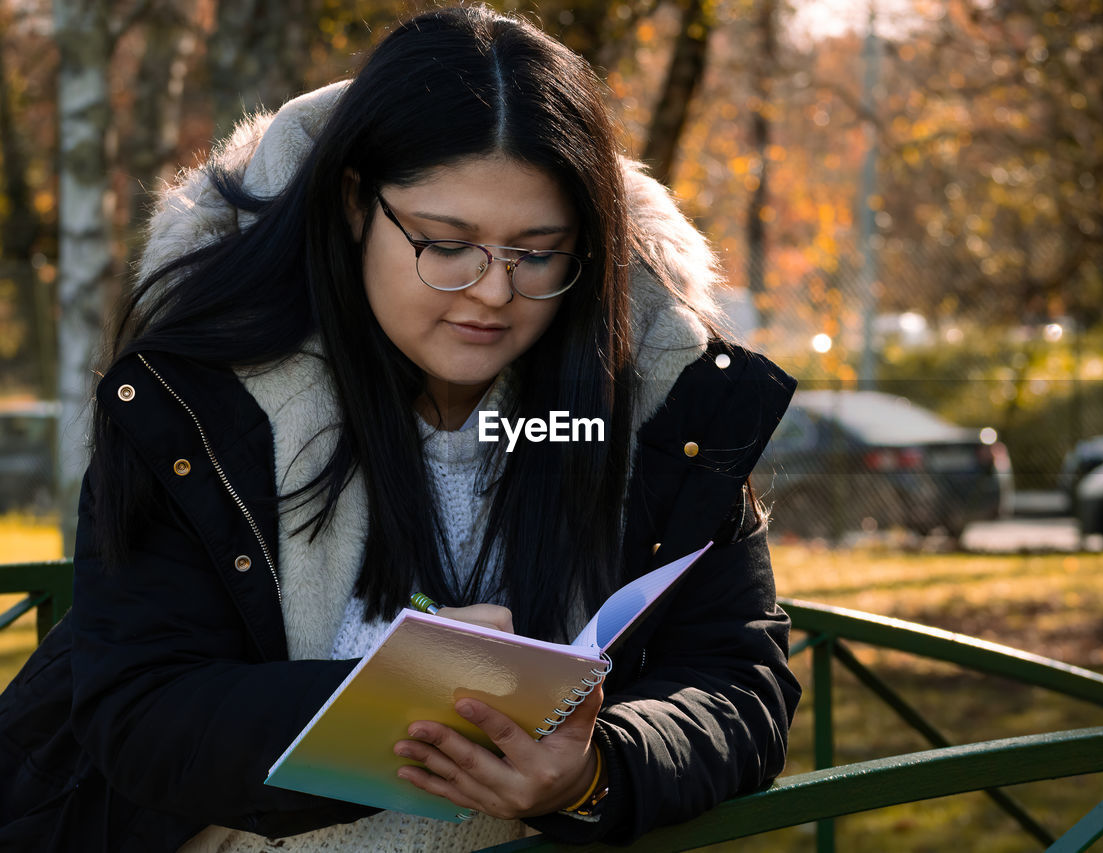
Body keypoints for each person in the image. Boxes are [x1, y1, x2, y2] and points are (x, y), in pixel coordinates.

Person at [0, 5, 800, 851]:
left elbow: (737, 681)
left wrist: (599, 770)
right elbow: (141, 709)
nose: (493, 291)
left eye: (538, 252)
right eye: (446, 243)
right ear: (355, 204)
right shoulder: (199, 397)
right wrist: (398, 704)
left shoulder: (660, 394)